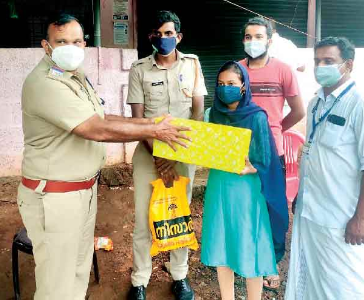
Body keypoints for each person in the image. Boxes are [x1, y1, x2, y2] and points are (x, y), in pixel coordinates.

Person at [18, 13, 189, 300]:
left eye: (75, 41)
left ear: (84, 44)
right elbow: (94, 128)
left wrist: (151, 124)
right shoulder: (45, 83)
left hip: (81, 193)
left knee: (78, 271)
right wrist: (154, 132)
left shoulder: (76, 77)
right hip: (55, 198)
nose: (69, 47)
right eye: (61, 41)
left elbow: (102, 116)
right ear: (46, 46)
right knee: (56, 285)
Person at [284, 37, 364, 300]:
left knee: (347, 284)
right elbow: (311, 152)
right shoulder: (315, 103)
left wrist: (361, 219)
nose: (321, 67)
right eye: (317, 61)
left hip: (341, 217)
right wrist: (300, 194)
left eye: (328, 61)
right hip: (311, 211)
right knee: (312, 279)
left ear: (348, 64)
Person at [126, 10, 207, 300]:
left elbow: (197, 110)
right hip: (149, 154)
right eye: (158, 34)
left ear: (179, 36)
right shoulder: (139, 69)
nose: (163, 39)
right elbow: (138, 120)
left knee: (178, 216)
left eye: (169, 33)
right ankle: (139, 280)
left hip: (184, 155)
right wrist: (160, 158)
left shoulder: (193, 65)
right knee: (144, 219)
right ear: (151, 37)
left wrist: (180, 153)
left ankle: (180, 276)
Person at [200, 61, 288, 300]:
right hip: (219, 186)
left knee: (250, 245)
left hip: (248, 191)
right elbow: (206, 150)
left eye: (231, 83)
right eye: (220, 84)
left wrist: (252, 169)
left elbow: (267, 158)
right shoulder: (211, 114)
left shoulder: (256, 116)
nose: (224, 88)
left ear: (243, 86)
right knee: (222, 243)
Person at [239, 16, 305, 290]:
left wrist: (275, 129)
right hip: (240, 154)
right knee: (245, 207)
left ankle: (271, 263)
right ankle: (243, 258)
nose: (252, 42)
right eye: (247, 37)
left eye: (258, 36)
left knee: (274, 210)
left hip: (271, 154)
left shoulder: (283, 71)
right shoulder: (236, 70)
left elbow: (298, 110)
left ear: (269, 40)